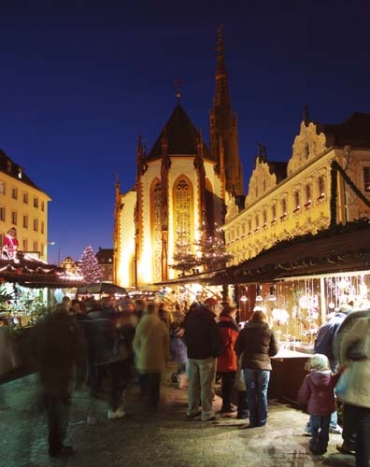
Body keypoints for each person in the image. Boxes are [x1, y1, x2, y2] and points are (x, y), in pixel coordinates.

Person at [31, 303, 87, 458]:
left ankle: (55, 445)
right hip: (62, 374)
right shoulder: (70, 325)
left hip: (46, 374)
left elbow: (30, 346)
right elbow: (80, 348)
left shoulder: (42, 324)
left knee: (53, 410)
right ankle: (56, 447)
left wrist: (38, 364)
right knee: (60, 413)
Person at [304, 302, 354, 435]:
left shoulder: (328, 322)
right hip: (331, 361)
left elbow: (317, 342)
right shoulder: (341, 324)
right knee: (330, 392)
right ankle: (331, 424)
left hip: (320, 361)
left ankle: (313, 424)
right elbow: (338, 344)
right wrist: (341, 361)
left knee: (319, 393)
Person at [334, 309, 370, 467]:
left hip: (364, 371)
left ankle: (362, 459)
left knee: (363, 419)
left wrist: (344, 361)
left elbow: (345, 341)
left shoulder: (364, 320)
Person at [234, 309, 279, 428]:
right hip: (264, 366)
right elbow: (275, 350)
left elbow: (237, 348)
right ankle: (262, 421)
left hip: (248, 365)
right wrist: (266, 354)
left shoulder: (244, 332)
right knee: (262, 393)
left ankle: (253, 421)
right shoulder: (269, 332)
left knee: (250, 393)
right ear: (264, 319)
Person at [183, 297, 222, 422]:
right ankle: (207, 412)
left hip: (192, 355)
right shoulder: (209, 320)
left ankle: (191, 410)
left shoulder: (191, 317)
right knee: (206, 385)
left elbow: (184, 334)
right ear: (212, 306)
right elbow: (215, 339)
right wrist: (216, 353)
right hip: (206, 357)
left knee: (193, 385)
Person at [298, 353, 342, 456]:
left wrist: (302, 401)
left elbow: (304, 392)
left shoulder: (309, 377)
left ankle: (314, 445)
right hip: (328, 407)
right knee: (325, 427)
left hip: (315, 407)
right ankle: (323, 446)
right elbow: (339, 375)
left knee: (314, 427)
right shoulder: (331, 377)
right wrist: (342, 369)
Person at [133, 301, 170, 408]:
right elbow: (166, 341)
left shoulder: (141, 323)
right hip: (158, 357)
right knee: (155, 381)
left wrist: (139, 353)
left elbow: (136, 342)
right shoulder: (160, 323)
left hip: (144, 356)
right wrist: (166, 355)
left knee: (144, 379)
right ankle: (154, 401)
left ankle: (145, 397)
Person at [217, 304, 239, 414]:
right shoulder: (229, 326)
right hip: (229, 358)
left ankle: (227, 404)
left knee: (226, 383)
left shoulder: (219, 324)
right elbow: (230, 341)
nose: (235, 316)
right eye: (234, 313)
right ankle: (226, 405)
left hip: (222, 358)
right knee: (228, 383)